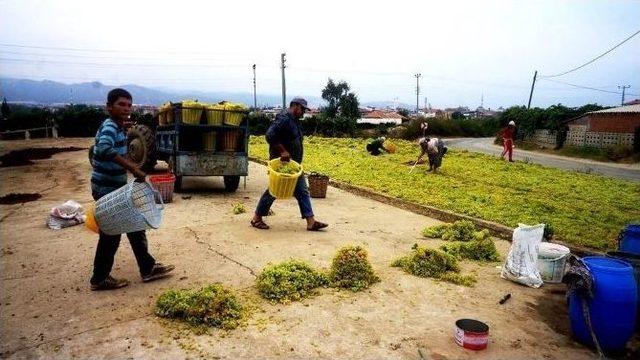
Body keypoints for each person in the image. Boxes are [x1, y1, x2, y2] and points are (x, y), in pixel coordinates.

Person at [90, 88, 174, 291]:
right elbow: (103, 149)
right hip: (106, 189)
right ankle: (99, 278)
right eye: (121, 104)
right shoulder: (110, 126)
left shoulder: (120, 127)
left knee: (135, 225)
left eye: (129, 105)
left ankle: (148, 268)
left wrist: (129, 165)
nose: (126, 108)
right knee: (111, 234)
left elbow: (118, 152)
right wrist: (133, 169)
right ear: (109, 106)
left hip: (116, 187)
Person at [251, 97, 328, 231]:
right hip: (282, 164)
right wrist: (283, 151)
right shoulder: (285, 118)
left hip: (293, 164)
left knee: (302, 191)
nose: (304, 112)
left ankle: (311, 221)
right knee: (274, 190)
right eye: (303, 109)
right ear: (295, 106)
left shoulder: (294, 120)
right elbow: (270, 135)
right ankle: (256, 218)